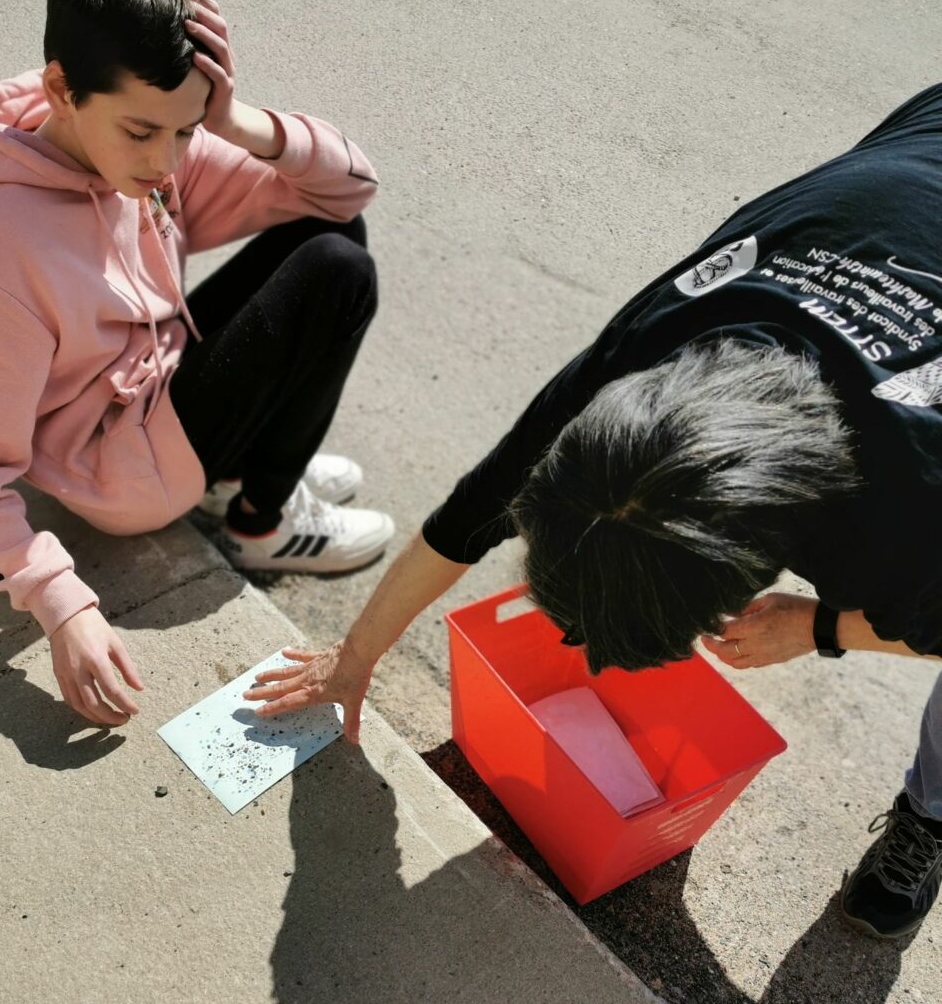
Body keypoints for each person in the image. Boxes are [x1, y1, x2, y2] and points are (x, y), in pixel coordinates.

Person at [247, 84, 942, 942]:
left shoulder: (913, 513)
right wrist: (354, 658)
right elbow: (472, 513)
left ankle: (932, 811)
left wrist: (821, 627)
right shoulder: (639, 371)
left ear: (765, 560)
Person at [0, 0, 394, 729]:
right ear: (62, 88)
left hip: (160, 378)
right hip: (118, 464)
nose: (167, 163)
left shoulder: (130, 134)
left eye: (185, 131)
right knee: (335, 269)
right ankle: (258, 519)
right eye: (144, 132)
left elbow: (346, 191)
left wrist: (237, 124)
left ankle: (238, 475)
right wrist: (62, 604)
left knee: (333, 238)